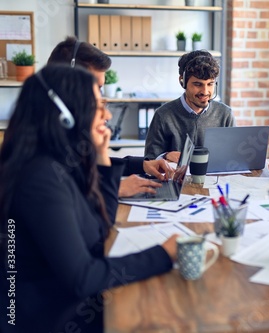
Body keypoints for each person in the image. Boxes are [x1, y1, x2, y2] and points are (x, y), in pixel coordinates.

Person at [0, 65, 179, 332]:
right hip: (49, 317)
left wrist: (102, 156)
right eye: (97, 106)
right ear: (66, 117)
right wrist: (163, 254)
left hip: (67, 304)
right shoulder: (40, 179)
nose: (107, 115)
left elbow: (99, 231)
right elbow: (83, 278)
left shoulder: (59, 164)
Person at [48, 36, 173, 197]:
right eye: (96, 88)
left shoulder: (68, 126)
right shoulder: (46, 140)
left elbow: (89, 169)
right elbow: (64, 192)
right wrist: (115, 188)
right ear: (68, 86)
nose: (106, 111)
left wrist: (142, 165)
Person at [144, 50, 235, 162]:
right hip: (175, 178)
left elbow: (232, 159)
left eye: (210, 84)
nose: (205, 92)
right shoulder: (163, 115)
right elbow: (149, 162)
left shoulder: (225, 114)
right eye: (198, 84)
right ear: (182, 81)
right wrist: (165, 156)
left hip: (216, 179)